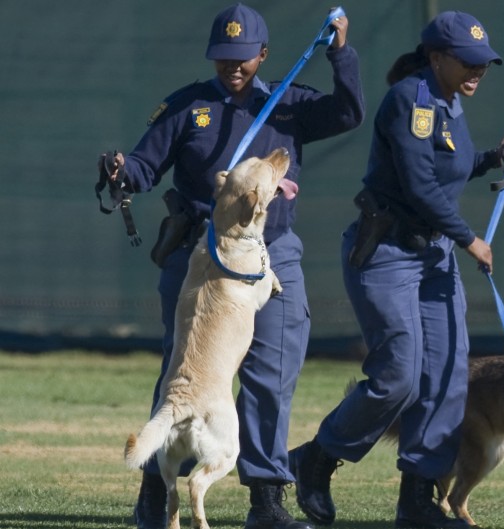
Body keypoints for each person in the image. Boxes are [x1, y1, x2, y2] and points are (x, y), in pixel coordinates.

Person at [99, 4, 364, 529]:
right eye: (224, 57)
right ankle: (156, 492)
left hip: (270, 253)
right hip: (199, 255)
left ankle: (265, 501)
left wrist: (341, 53)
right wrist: (122, 173)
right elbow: (145, 166)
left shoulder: (287, 103)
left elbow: (348, 113)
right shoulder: (189, 105)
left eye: (243, 58)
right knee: (184, 373)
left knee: (272, 373)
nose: (233, 67)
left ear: (262, 55)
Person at [288, 10, 504, 529]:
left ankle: (418, 501)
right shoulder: (410, 100)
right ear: (436, 58)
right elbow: (418, 185)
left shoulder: (450, 101)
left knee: (446, 377)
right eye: (468, 62)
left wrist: (493, 159)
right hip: (388, 251)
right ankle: (316, 458)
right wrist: (470, 239)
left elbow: (448, 166)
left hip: (433, 258)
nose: (478, 71)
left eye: (484, 63)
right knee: (398, 377)